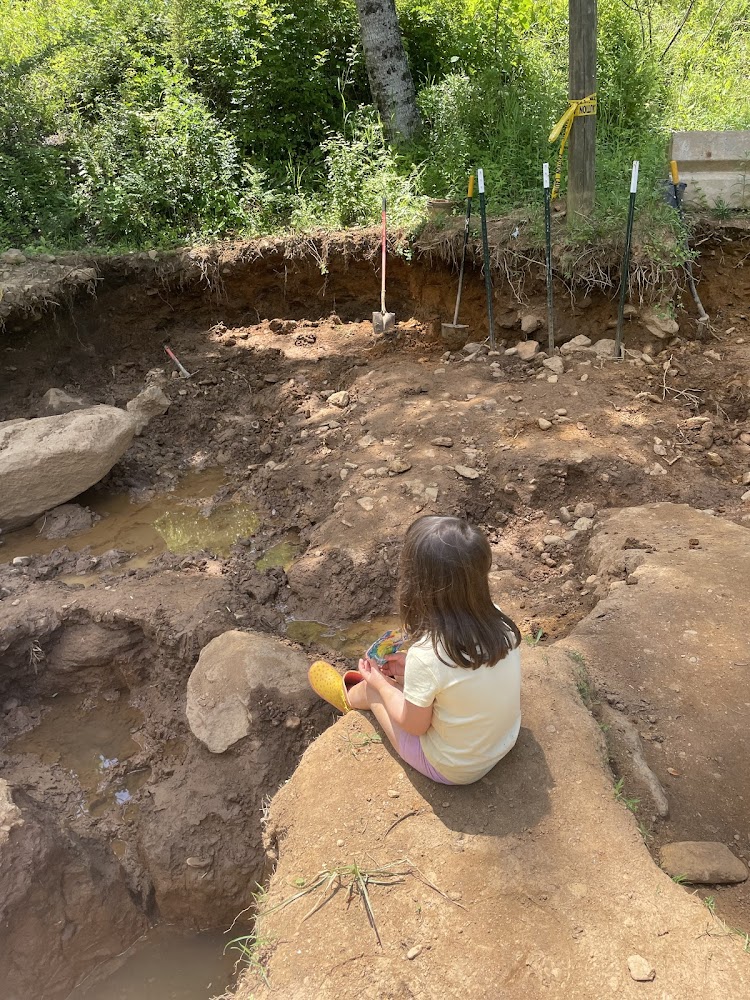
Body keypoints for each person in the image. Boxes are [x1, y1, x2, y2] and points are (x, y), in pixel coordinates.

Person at [308, 515, 522, 785]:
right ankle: (370, 689)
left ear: (420, 587)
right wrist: (411, 670)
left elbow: (415, 726)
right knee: (420, 691)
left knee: (376, 691)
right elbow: (461, 679)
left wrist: (382, 685)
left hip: (455, 768)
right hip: (504, 740)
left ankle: (349, 697)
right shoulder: (500, 622)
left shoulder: (428, 654)